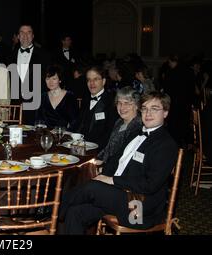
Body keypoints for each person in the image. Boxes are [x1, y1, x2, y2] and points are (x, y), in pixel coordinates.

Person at [59, 91, 178, 234]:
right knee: (75, 212)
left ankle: (49, 214)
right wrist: (104, 173)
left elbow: (150, 185)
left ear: (165, 113)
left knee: (92, 188)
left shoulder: (166, 144)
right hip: (120, 196)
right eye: (145, 108)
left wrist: (112, 180)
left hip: (139, 206)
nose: (148, 113)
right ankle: (56, 211)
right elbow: (115, 160)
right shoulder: (136, 133)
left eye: (154, 109)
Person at [96, 86, 143, 176]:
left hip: (119, 173)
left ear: (136, 106)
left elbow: (124, 158)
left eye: (127, 103)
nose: (122, 107)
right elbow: (109, 147)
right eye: (119, 103)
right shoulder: (119, 122)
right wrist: (97, 159)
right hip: (106, 166)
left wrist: (103, 167)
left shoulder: (138, 127)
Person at [8, 24, 49, 125]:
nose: (25, 35)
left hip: (36, 104)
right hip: (15, 104)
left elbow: (48, 79)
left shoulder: (44, 55)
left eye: (28, 32)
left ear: (33, 36)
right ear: (18, 36)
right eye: (22, 33)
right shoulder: (10, 56)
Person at [77, 66, 118, 151]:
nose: (91, 83)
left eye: (95, 79)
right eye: (89, 80)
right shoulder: (85, 99)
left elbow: (109, 133)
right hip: (79, 146)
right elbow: (79, 123)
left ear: (103, 81)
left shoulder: (111, 102)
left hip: (98, 150)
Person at [35, 65, 78, 129]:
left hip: (63, 134)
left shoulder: (69, 96)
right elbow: (38, 120)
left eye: (54, 79)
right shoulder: (42, 97)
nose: (50, 82)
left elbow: (74, 121)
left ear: (60, 80)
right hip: (45, 134)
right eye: (48, 79)